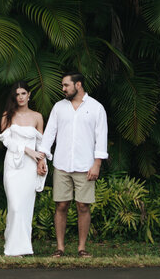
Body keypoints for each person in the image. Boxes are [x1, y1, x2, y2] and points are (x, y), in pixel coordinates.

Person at [38, 72, 108, 257]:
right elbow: (49, 135)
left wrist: (97, 164)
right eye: (63, 85)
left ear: (78, 85)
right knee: (61, 205)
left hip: (85, 166)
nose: (63, 89)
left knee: (83, 206)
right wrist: (42, 158)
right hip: (61, 164)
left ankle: (81, 248)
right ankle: (60, 248)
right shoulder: (59, 107)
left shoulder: (96, 108)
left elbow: (101, 137)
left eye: (66, 85)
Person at [0, 81, 47, 256]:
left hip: (30, 168)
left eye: (23, 93)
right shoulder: (7, 115)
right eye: (17, 94)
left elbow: (42, 144)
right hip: (13, 164)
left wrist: (42, 162)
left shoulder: (37, 117)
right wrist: (27, 150)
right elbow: (6, 140)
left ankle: (23, 247)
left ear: (29, 95)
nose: (20, 97)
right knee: (15, 205)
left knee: (26, 207)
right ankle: (11, 247)